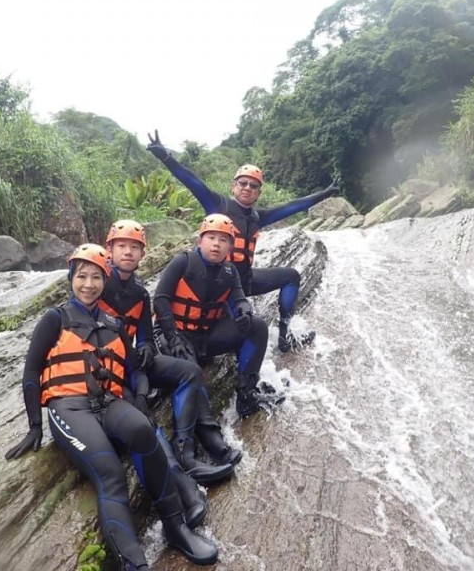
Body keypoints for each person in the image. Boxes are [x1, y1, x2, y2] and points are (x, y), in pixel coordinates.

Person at [5, 243, 218, 570]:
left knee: (144, 433)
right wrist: (35, 425)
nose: (88, 284)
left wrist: (141, 399)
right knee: (112, 474)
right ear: (71, 279)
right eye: (81, 277)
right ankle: (134, 563)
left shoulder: (114, 323)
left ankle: (176, 528)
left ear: (105, 281)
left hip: (108, 401)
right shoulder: (55, 318)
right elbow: (32, 371)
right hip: (69, 408)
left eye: (95, 277)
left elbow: (134, 370)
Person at [147, 130, 340, 352]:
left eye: (253, 185)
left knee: (291, 277)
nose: (247, 188)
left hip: (244, 281)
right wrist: (165, 157)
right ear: (234, 186)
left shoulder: (260, 217)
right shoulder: (218, 205)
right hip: (218, 285)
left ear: (258, 192)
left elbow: (293, 205)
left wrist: (325, 193)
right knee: (243, 325)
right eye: (243, 183)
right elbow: (192, 181)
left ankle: (285, 335)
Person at [100, 219, 239, 485]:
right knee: (142, 410)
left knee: (190, 372)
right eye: (121, 246)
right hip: (105, 371)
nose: (128, 252)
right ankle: (181, 475)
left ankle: (186, 452)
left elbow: (145, 335)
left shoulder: (140, 293)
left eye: (134, 247)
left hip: (129, 363)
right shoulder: (94, 283)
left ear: (143, 253)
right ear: (110, 249)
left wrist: (145, 347)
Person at [153, 213, 279, 419]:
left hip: (206, 337)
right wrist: (173, 336)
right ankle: (200, 433)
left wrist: (244, 311)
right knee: (191, 375)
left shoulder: (229, 272)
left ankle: (246, 394)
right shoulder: (181, 262)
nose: (216, 244)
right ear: (200, 240)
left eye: (223, 240)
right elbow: (160, 300)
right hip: (177, 337)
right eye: (211, 238)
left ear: (229, 247)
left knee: (257, 327)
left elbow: (239, 299)